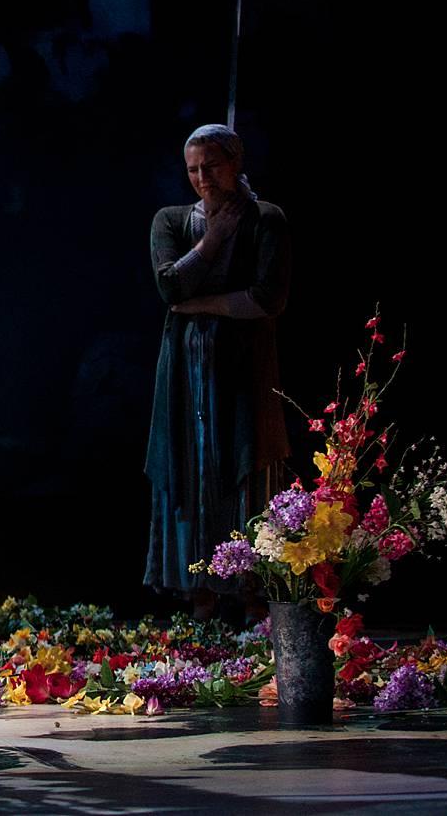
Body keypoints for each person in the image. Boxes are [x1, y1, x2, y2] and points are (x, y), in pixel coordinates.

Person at [144, 124, 290, 613]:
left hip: (244, 367)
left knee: (244, 464)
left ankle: (253, 593)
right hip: (186, 370)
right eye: (192, 169)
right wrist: (212, 241)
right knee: (192, 464)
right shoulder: (170, 221)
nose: (202, 176)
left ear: (235, 164)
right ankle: (199, 593)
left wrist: (202, 302)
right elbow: (168, 289)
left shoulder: (266, 220)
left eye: (212, 165)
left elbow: (268, 298)